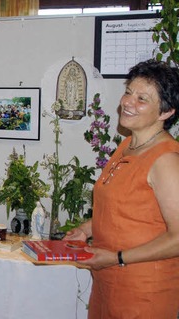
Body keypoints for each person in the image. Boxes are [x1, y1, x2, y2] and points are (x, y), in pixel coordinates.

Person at [65, 59, 179, 318]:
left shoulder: (167, 161)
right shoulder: (126, 145)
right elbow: (122, 210)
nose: (127, 102)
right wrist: (85, 229)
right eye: (129, 92)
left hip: (145, 290)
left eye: (142, 99)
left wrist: (117, 257)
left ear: (166, 112)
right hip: (108, 282)